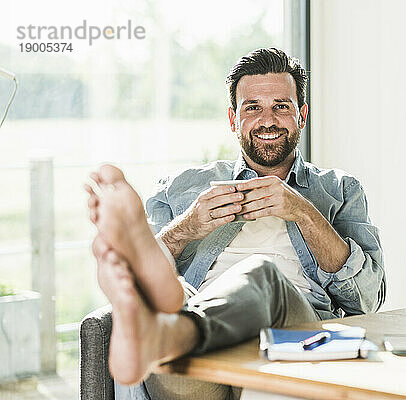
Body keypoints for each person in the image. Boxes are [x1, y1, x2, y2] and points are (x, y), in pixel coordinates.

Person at [85, 47, 386, 400]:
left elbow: (368, 298)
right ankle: (168, 327)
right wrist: (188, 227)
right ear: (233, 119)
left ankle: (166, 333)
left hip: (293, 339)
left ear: (302, 115)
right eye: (253, 107)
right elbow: (142, 282)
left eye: (281, 106)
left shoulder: (339, 188)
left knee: (262, 275)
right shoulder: (181, 187)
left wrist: (303, 212)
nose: (268, 120)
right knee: (176, 292)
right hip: (195, 367)